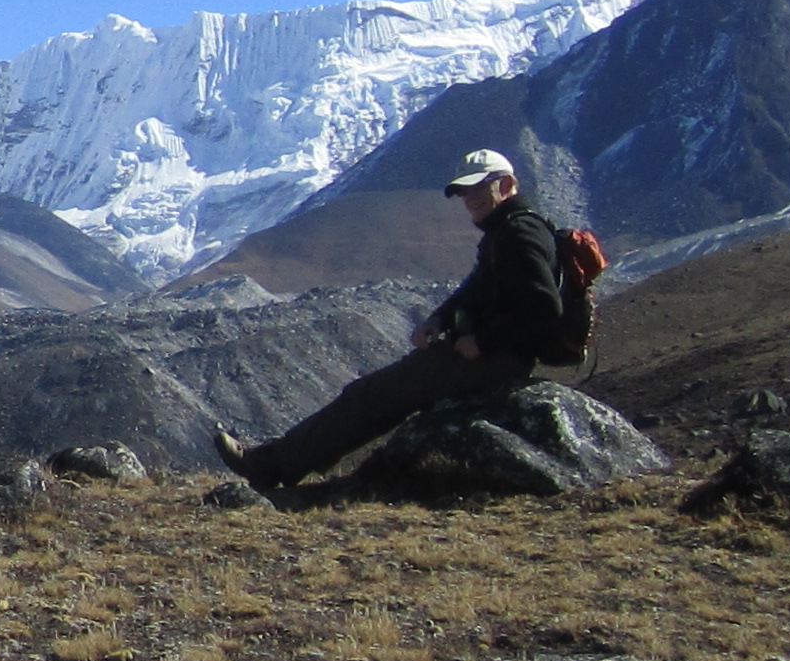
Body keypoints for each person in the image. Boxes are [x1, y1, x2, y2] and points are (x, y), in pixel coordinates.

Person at [217, 149, 566, 490]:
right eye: (464, 191)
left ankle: (272, 465)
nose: (469, 198)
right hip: (493, 353)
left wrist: (484, 342)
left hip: (496, 358)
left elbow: (545, 305)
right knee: (373, 394)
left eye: (478, 187)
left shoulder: (519, 233)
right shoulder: (505, 231)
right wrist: (440, 319)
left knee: (372, 396)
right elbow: (476, 289)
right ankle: (281, 463)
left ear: (506, 185)